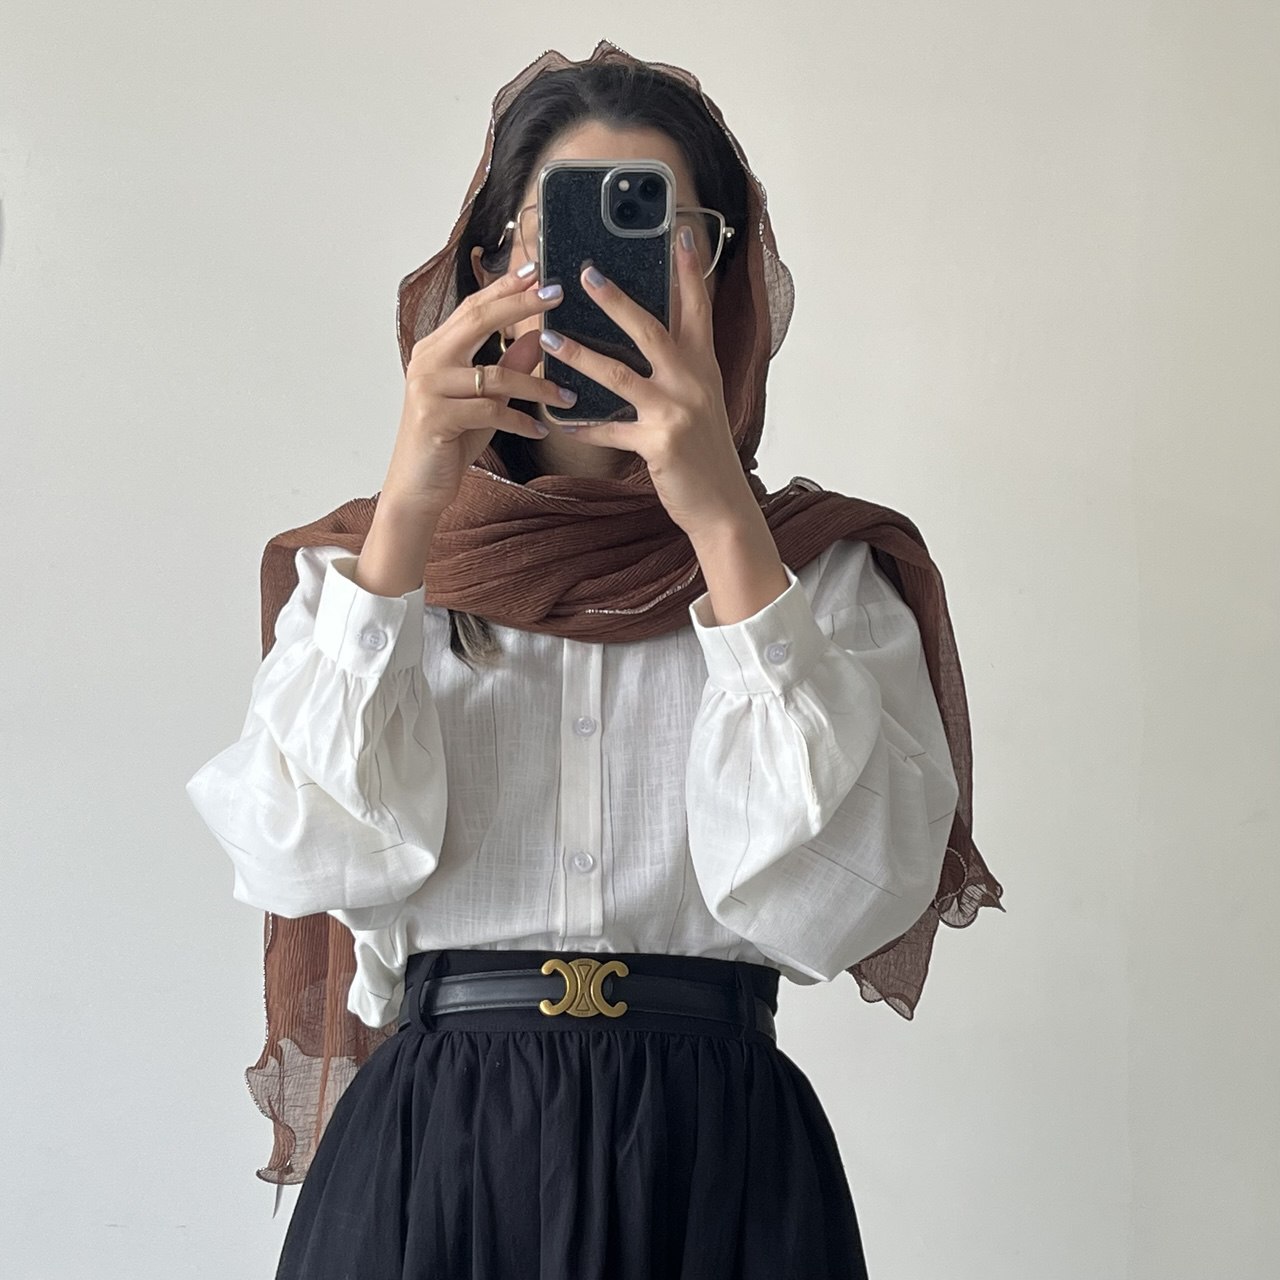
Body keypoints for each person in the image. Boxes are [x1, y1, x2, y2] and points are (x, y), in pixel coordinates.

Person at [185, 40, 1002, 1280]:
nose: (613, 278)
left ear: (722, 275)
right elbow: (296, 859)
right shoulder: (365, 577)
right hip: (433, 1153)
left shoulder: (822, 573)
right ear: (490, 271)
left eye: (666, 234)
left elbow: (846, 902)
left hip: (715, 1155)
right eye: (566, 233)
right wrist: (411, 507)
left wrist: (721, 521)